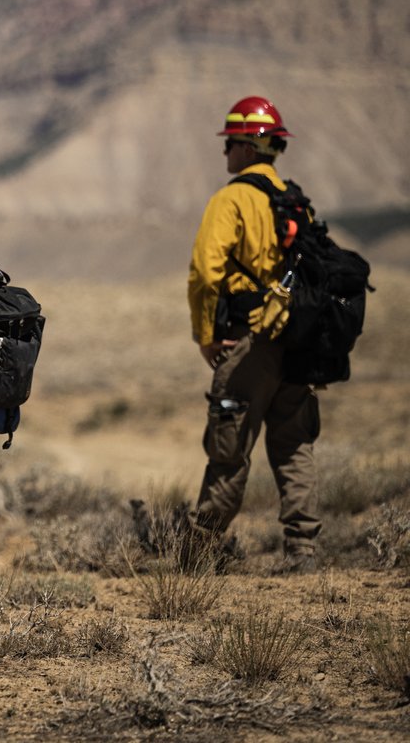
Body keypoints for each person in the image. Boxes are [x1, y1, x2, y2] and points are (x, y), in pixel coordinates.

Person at [187, 96, 319, 572]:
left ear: (247, 147)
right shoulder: (294, 200)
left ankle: (197, 554)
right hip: (296, 342)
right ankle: (303, 550)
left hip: (248, 343)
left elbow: (204, 272)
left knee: (229, 446)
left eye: (229, 147)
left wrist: (205, 335)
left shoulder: (231, 199)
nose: (225, 156)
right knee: (294, 444)